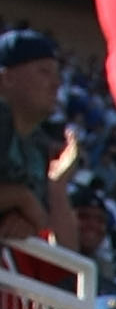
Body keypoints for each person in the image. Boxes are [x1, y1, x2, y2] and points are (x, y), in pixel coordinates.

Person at [0, 24, 78, 248]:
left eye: (57, 74)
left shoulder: (38, 147)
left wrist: (57, 186)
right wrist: (20, 198)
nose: (56, 84)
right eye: (44, 71)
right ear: (6, 78)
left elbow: (69, 256)